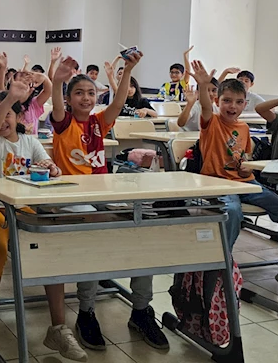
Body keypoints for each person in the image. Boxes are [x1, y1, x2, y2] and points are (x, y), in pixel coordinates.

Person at [50, 51, 169, 351]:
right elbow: (56, 103)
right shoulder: (63, 122)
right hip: (70, 194)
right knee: (98, 230)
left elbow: (117, 103)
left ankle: (141, 310)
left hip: (103, 191)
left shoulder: (98, 123)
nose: (86, 98)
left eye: (91, 93)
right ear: (69, 99)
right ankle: (86, 311)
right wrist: (58, 81)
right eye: (79, 93)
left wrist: (126, 71)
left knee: (141, 225)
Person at [0, 80, 86, 361]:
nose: (3, 119)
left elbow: (51, 167)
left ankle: (58, 328)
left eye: (9, 113)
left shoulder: (30, 141)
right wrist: (10, 98)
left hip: (23, 208)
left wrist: (52, 168)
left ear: (19, 117)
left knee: (48, 249)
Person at [191, 61, 278, 306]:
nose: (232, 106)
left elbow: (244, 156)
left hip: (246, 183)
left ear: (245, 104)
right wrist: (204, 86)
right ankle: (222, 265)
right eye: (227, 100)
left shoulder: (244, 127)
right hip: (219, 184)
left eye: (239, 102)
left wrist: (246, 164)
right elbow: (204, 107)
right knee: (233, 212)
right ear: (217, 102)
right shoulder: (211, 123)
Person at [15, 70, 53, 135]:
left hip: (31, 140)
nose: (24, 88)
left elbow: (48, 91)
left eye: (27, 84)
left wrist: (44, 78)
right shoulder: (8, 105)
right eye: (19, 84)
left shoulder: (33, 104)